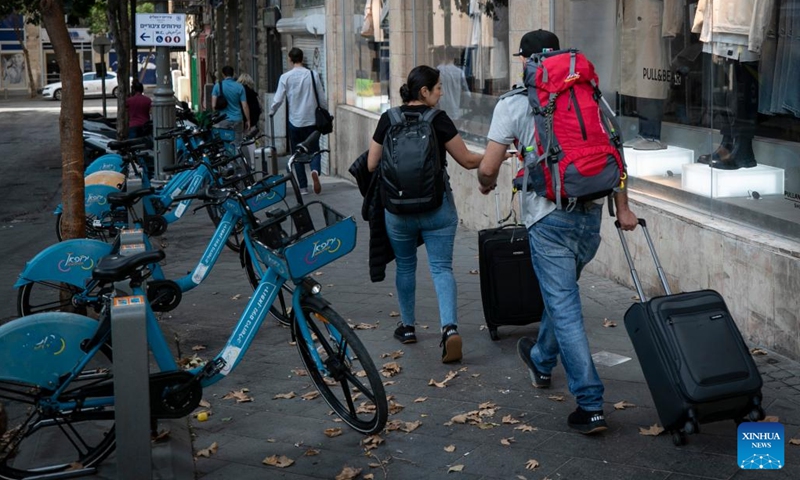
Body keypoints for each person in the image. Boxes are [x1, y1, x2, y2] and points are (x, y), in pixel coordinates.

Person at [477, 30, 639, 434]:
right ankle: (541, 359)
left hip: (548, 221)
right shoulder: (589, 94)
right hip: (590, 216)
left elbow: (488, 166)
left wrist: (484, 181)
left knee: (564, 306)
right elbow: (616, 153)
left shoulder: (514, 103)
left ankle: (590, 404)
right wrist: (623, 208)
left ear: (526, 60)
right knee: (560, 295)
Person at [367, 65, 483, 363]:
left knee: (405, 266)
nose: (442, 92)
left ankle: (407, 327)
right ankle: (449, 329)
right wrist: (496, 156)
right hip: (437, 207)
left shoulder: (387, 118)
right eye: (438, 87)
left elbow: (370, 165)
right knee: (441, 268)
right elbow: (468, 161)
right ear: (424, 91)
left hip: (397, 210)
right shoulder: (438, 119)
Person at [269, 48, 327, 195]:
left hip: (295, 122)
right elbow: (321, 97)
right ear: (303, 58)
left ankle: (303, 188)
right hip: (312, 121)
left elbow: (278, 99)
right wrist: (325, 112)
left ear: (290, 59)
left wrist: (272, 112)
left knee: (297, 153)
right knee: (314, 149)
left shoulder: (285, 77)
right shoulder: (313, 75)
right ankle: (314, 171)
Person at [212, 66, 250, 147]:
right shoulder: (240, 87)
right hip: (237, 119)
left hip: (223, 119)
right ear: (233, 74)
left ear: (223, 74)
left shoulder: (217, 86)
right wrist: (248, 120)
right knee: (238, 144)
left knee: (225, 144)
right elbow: (245, 106)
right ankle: (238, 159)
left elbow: (213, 105)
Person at [237, 73, 262, 168]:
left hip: (241, 119)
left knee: (238, 142)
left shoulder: (239, 92)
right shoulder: (252, 93)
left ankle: (240, 163)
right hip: (251, 121)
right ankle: (254, 163)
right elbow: (257, 108)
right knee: (251, 142)